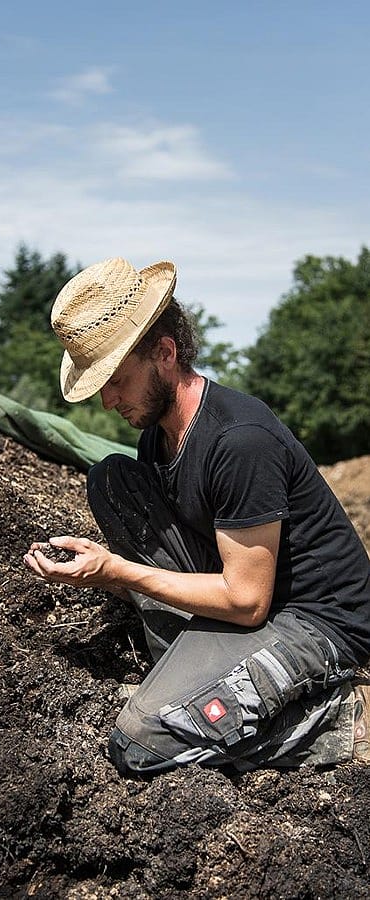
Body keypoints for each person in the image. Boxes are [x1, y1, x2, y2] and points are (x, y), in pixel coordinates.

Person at [24, 256, 370, 776]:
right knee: (111, 480)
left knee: (141, 743)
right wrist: (112, 580)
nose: (107, 401)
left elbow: (248, 601)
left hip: (319, 624)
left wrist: (116, 571)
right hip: (252, 597)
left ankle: (348, 721)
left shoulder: (238, 441)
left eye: (115, 379)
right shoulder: (157, 441)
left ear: (165, 353)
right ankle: (198, 679)